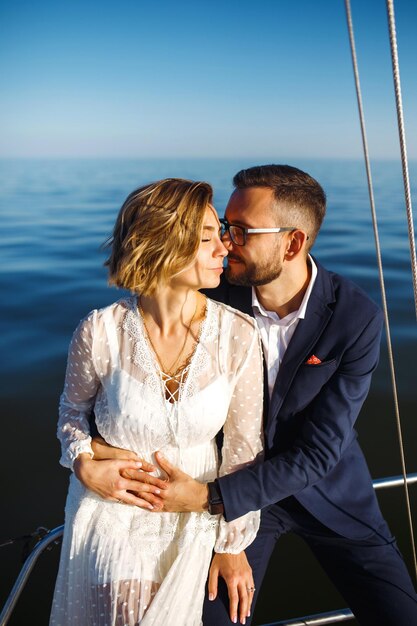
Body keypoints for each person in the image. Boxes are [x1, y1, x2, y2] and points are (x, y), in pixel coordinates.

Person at [86, 165, 417, 626]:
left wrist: (208, 499)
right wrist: (227, 535)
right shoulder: (213, 292)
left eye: (240, 231)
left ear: (293, 243)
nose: (225, 243)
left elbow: (320, 453)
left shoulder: (355, 316)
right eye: (223, 227)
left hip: (323, 491)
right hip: (230, 495)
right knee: (214, 619)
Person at [50, 178, 264, 626]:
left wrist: (232, 544)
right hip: (112, 512)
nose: (224, 247)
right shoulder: (99, 333)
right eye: (207, 237)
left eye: (219, 233)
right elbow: (71, 414)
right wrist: (84, 462)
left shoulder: (239, 335)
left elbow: (244, 450)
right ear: (162, 243)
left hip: (196, 513)